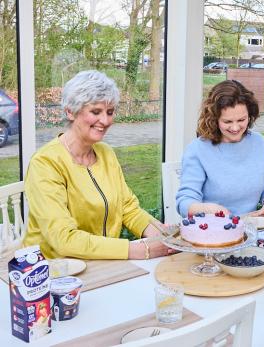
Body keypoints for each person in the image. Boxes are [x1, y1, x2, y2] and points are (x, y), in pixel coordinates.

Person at [23, 70, 172, 260]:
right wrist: (139, 250)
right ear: (70, 111)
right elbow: (63, 239)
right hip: (50, 272)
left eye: (110, 112)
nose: (106, 120)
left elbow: (128, 209)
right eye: (96, 112)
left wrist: (163, 236)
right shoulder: (45, 163)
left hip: (102, 262)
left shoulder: (106, 153)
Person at [176, 80, 264, 217]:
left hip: (252, 227)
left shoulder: (258, 142)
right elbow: (184, 202)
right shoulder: (197, 150)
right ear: (214, 119)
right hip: (212, 230)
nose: (235, 128)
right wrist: (208, 209)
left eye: (242, 120)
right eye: (227, 122)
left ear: (250, 116)